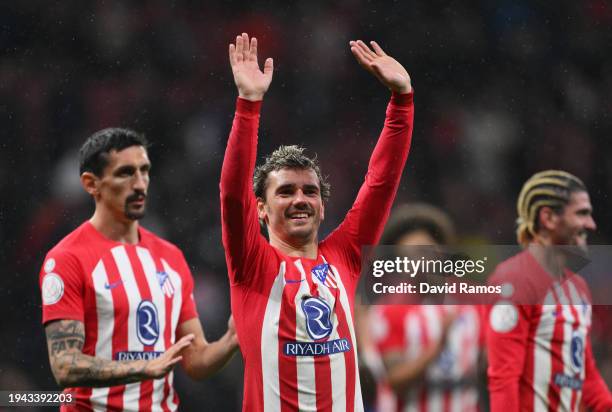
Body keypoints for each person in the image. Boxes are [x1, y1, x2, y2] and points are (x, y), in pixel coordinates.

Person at [220, 32, 414, 411]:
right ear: (260, 208)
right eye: (286, 191)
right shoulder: (252, 265)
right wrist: (249, 105)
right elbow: (231, 193)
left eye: (310, 192)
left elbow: (381, 182)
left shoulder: (345, 257)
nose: (300, 200)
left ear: (323, 207)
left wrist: (402, 101)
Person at [39, 128, 238, 411]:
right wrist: (143, 367)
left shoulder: (171, 258)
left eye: (144, 171)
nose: (140, 183)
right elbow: (64, 365)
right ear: (91, 184)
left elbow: (194, 361)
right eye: (125, 173)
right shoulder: (67, 259)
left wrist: (232, 339)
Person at [485, 170, 612, 411]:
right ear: (549, 218)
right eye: (582, 213)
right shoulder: (514, 282)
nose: (591, 224)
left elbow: (587, 377)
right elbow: (503, 379)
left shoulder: (579, 288)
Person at [365, 204, 483, 411]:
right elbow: (396, 381)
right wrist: (437, 346)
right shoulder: (389, 311)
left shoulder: (471, 301)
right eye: (411, 255)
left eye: (425, 250)